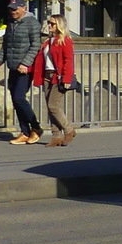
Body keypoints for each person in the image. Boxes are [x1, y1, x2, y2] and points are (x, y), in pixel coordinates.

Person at [0, 0, 42, 145]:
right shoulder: (11, 23)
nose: (12, 11)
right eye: (10, 9)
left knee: (19, 97)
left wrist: (26, 63)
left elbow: (35, 45)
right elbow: (6, 45)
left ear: (23, 8)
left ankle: (36, 128)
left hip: (25, 68)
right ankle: (25, 131)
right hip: (13, 66)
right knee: (15, 98)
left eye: (15, 9)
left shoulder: (32, 23)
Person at [32, 14, 77, 147]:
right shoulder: (48, 41)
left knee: (53, 106)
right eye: (49, 23)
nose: (50, 25)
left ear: (59, 25)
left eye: (52, 23)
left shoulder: (65, 40)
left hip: (58, 77)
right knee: (50, 108)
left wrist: (67, 77)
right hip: (47, 76)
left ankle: (69, 130)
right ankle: (56, 135)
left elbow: (68, 60)